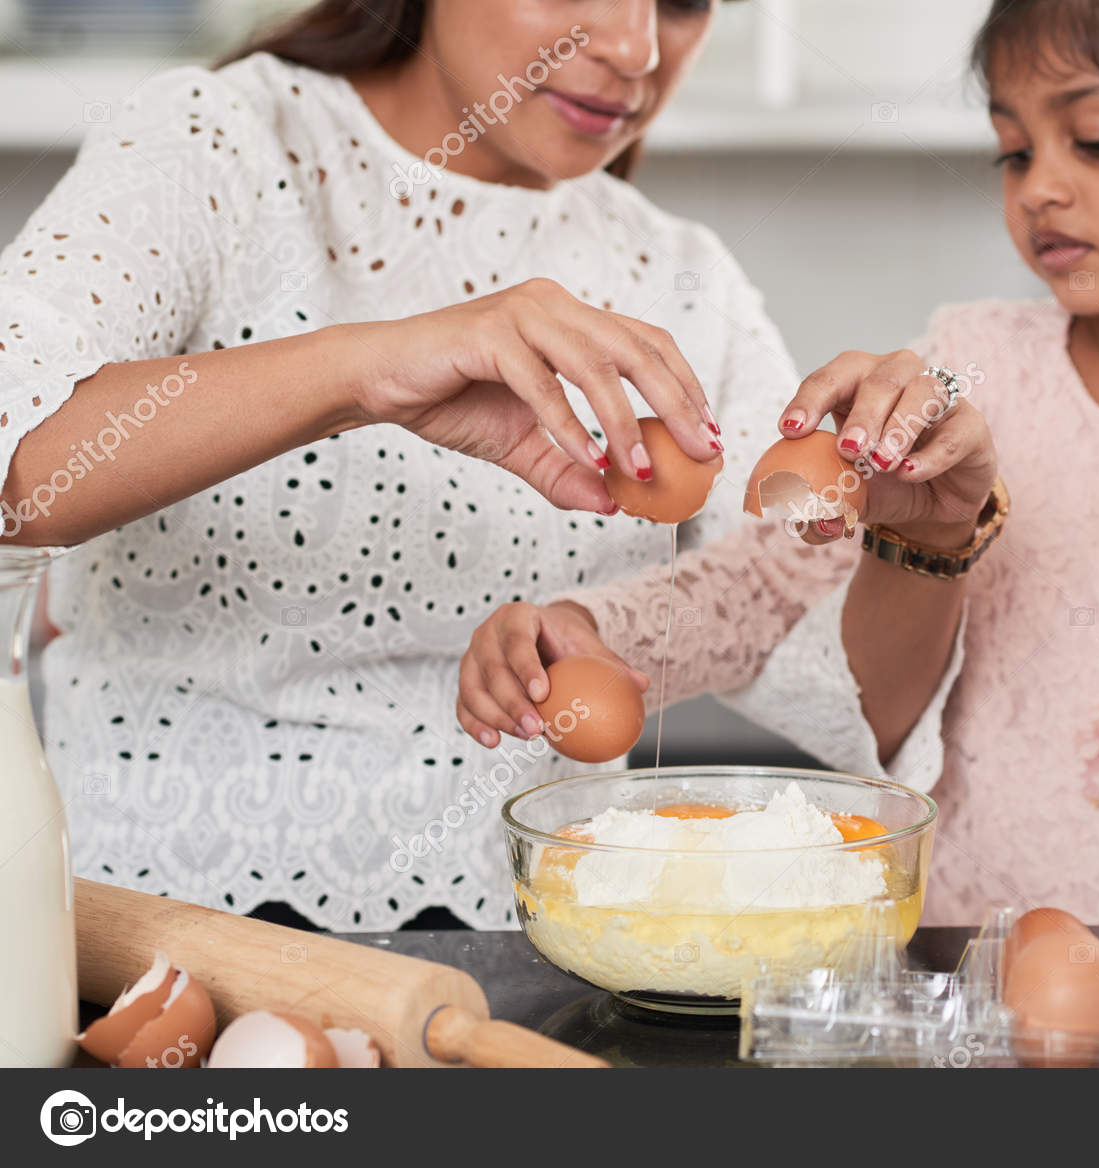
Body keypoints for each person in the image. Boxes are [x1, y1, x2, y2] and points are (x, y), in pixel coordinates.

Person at [462, 0, 1099, 925]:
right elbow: (772, 581)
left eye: (1094, 141)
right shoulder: (969, 369)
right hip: (977, 976)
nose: (1040, 187)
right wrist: (594, 632)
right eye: (1013, 151)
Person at [0, 0, 993, 930]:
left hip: (535, 972)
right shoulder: (217, 142)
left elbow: (841, 700)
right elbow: (17, 467)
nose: (638, 48)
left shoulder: (682, 279)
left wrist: (925, 536)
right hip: (163, 952)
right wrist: (366, 367)